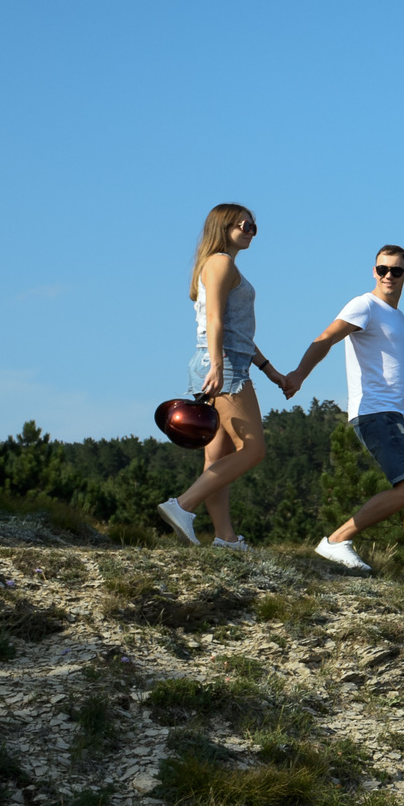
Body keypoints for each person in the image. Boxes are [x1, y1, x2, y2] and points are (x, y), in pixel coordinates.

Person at [276, 243, 404, 603]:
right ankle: (336, 540)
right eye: (382, 269)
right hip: (373, 413)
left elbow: (396, 374)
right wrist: (300, 374)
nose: (388, 276)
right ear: (373, 271)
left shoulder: (399, 318)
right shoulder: (364, 304)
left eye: (396, 270)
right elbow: (326, 338)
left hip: (394, 414)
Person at [156, 203, 292, 550]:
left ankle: (225, 538)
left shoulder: (222, 265)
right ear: (224, 225)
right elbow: (215, 320)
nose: (250, 231)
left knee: (217, 458)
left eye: (253, 227)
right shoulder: (221, 263)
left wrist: (270, 370)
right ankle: (182, 505)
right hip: (224, 365)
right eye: (244, 224)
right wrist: (217, 366)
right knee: (253, 450)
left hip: (228, 360)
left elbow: (236, 330)